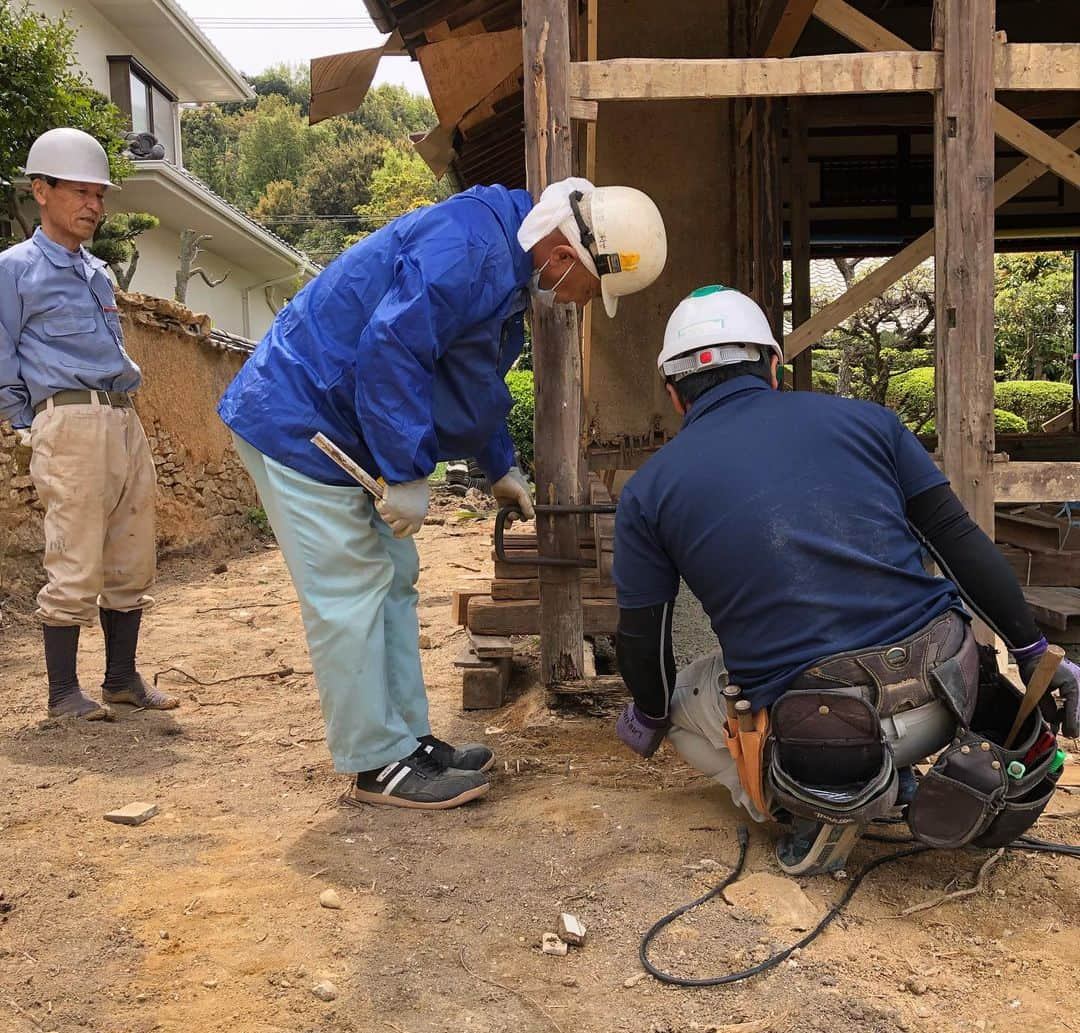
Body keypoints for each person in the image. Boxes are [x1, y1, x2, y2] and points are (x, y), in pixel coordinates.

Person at [219, 177, 667, 811]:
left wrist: (497, 465)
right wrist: (406, 474)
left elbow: (470, 376)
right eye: (589, 291)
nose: (581, 303)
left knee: (393, 577)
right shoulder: (468, 249)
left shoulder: (507, 261)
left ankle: (407, 741)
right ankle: (376, 763)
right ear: (566, 256)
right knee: (351, 592)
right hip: (300, 417)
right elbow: (392, 349)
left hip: (342, 419)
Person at [612, 284, 1080, 874]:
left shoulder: (649, 491)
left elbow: (644, 643)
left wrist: (649, 716)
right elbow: (962, 546)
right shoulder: (870, 423)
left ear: (675, 396)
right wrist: (1036, 652)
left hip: (817, 734)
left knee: (685, 706)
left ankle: (809, 811)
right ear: (774, 366)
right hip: (946, 700)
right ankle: (894, 779)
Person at [0, 128, 178, 721]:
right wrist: (32, 423)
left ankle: (122, 679)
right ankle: (61, 694)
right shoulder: (15, 268)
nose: (93, 206)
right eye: (80, 192)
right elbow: (2, 351)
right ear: (41, 190)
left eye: (99, 195)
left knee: (132, 554)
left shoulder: (96, 271)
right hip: (70, 420)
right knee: (74, 558)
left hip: (122, 417)